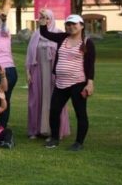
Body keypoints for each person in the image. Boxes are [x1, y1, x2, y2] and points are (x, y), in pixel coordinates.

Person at [40, 13, 95, 151]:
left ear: (81, 26)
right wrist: (43, 21)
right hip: (60, 83)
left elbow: (90, 65)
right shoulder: (63, 37)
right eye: (68, 24)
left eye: (74, 24)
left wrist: (90, 83)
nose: (71, 27)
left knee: (80, 113)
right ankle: (54, 138)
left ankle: (79, 143)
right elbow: (45, 33)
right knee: (54, 110)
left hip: (78, 83)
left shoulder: (87, 42)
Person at [26, 9, 70, 139]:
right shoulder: (36, 35)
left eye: (47, 18)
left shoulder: (59, 34)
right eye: (42, 18)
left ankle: (53, 130)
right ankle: (36, 130)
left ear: (52, 19)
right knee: (36, 99)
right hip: (37, 71)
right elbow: (29, 56)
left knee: (54, 100)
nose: (45, 20)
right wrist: (28, 72)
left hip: (54, 73)